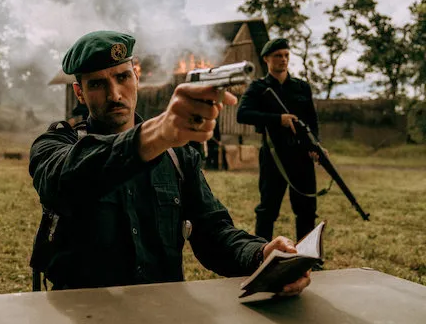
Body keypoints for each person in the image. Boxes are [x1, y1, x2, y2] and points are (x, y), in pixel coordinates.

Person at [29, 31, 310, 294]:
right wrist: (157, 134)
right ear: (80, 93)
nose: (115, 94)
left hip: (163, 311)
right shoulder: (56, 144)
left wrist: (261, 255)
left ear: (136, 78)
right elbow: (62, 180)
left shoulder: (176, 154)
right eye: (98, 84)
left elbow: (213, 231)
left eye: (123, 77)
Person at [237, 38, 320, 242]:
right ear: (266, 59)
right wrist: (278, 119)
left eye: (286, 55)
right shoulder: (258, 88)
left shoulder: (301, 87)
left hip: (301, 156)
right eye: (278, 56)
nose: (283, 60)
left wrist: (315, 146)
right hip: (274, 155)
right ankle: (261, 255)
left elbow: (312, 121)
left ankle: (307, 257)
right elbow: (243, 114)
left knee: (307, 209)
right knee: (268, 208)